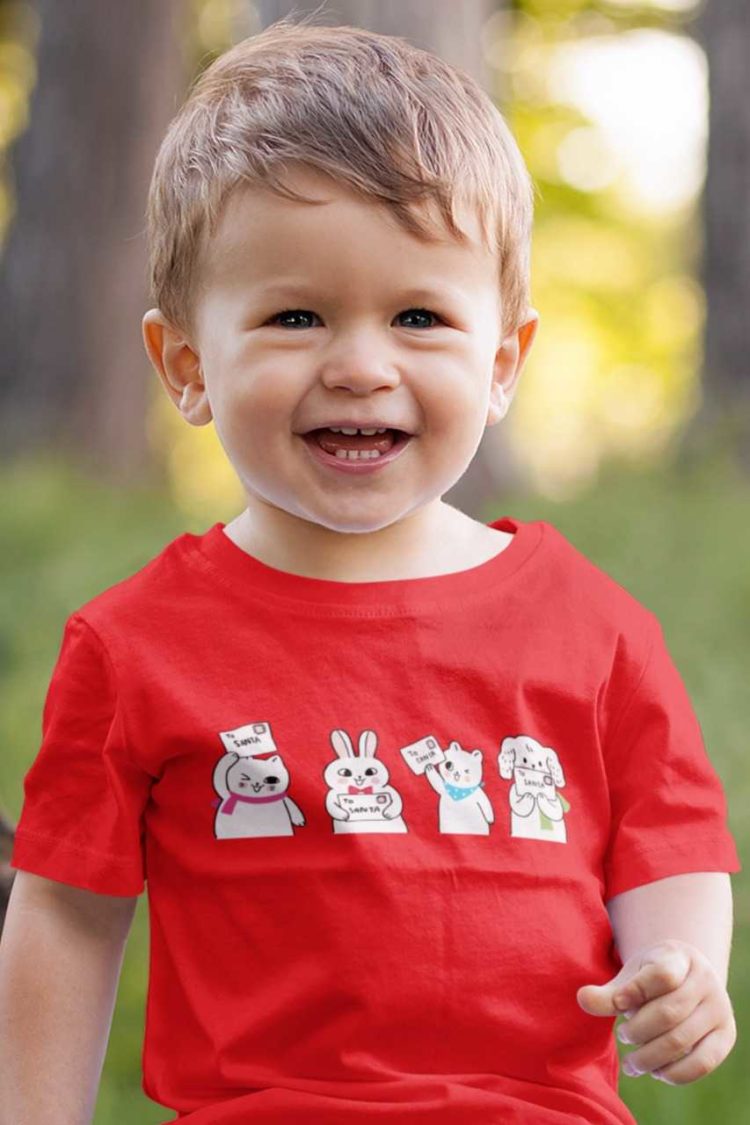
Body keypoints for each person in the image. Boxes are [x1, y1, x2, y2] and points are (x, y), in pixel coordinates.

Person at [0, 15, 741, 1125]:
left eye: (418, 317)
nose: (359, 365)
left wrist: (683, 967)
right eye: (294, 315)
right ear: (188, 366)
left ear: (501, 364)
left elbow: (668, 841)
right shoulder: (134, 646)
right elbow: (65, 913)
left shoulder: (591, 627)